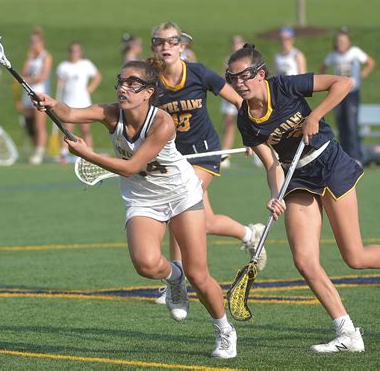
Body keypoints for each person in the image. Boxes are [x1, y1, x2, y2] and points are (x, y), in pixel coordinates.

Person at [226, 44, 380, 353]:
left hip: (330, 164)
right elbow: (270, 163)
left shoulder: (285, 85)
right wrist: (274, 194)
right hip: (297, 178)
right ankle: (347, 333)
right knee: (305, 261)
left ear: (261, 74)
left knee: (355, 256)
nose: (239, 83)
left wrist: (315, 116)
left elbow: (343, 83)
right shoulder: (246, 120)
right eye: (232, 77)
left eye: (244, 76)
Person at [34, 58, 237, 359]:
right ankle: (174, 277)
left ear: (149, 92)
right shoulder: (110, 113)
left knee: (199, 273)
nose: (124, 88)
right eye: (122, 82)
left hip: (181, 193)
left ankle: (224, 330)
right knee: (145, 264)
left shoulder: (162, 122)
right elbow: (70, 113)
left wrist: (89, 155)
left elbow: (131, 167)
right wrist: (50, 103)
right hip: (143, 198)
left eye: (133, 84)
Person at [150, 22, 266, 303]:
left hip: (204, 153)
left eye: (171, 42)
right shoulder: (151, 81)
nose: (165, 47)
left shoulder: (198, 73)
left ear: (182, 46)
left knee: (179, 207)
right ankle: (249, 234)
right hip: (174, 158)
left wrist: (250, 134)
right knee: (205, 221)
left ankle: (175, 284)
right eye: (160, 42)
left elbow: (240, 101)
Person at [320, 28, 375, 165]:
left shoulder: (354, 52)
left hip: (352, 93)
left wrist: (363, 74)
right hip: (338, 94)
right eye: (338, 41)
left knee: (351, 124)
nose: (340, 44)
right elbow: (323, 67)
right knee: (341, 124)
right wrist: (327, 83)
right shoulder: (334, 55)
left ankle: (356, 156)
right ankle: (344, 156)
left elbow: (370, 62)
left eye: (343, 41)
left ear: (349, 42)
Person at [56, 41, 102, 163]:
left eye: (76, 51)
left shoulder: (86, 64)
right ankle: (64, 154)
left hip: (83, 101)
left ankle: (89, 152)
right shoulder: (63, 66)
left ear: (80, 52)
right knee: (67, 129)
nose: (74, 53)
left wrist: (90, 89)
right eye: (72, 51)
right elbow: (60, 82)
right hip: (68, 102)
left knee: (85, 129)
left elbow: (97, 76)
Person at [21, 27, 53, 165]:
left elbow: (42, 77)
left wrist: (27, 80)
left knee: (39, 124)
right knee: (28, 124)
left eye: (35, 42)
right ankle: (35, 148)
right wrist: (28, 59)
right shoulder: (31, 58)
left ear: (41, 42)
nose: (33, 45)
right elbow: (21, 73)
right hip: (27, 93)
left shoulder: (46, 57)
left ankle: (39, 152)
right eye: (31, 42)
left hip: (39, 93)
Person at [220, 35, 245, 169]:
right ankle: (226, 154)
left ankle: (258, 154)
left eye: (238, 42)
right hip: (231, 95)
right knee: (229, 124)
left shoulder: (248, 60)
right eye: (234, 43)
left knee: (252, 124)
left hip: (245, 96)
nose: (236, 45)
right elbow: (224, 80)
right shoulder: (227, 60)